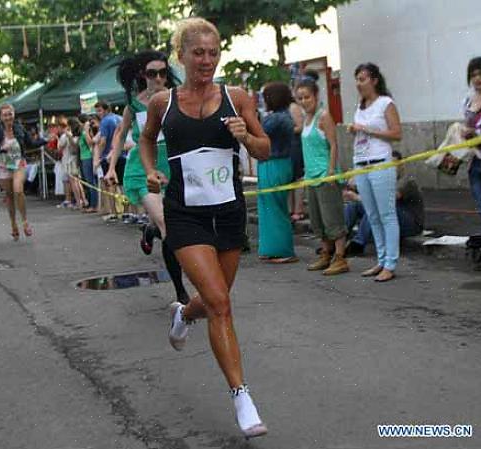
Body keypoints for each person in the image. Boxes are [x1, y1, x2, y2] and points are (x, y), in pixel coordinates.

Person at [139, 18, 270, 439]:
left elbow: (265, 149)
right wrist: (150, 171)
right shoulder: (163, 102)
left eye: (214, 53)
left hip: (228, 213)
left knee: (214, 302)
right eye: (199, 53)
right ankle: (242, 396)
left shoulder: (236, 97)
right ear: (182, 55)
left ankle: (182, 315)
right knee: (221, 305)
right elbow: (146, 139)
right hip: (185, 214)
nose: (207, 61)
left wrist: (246, 137)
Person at [105, 49, 189, 305]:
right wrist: (110, 167)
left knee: (171, 223)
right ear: (143, 75)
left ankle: (150, 230)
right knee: (168, 224)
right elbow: (120, 134)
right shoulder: (134, 102)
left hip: (173, 166)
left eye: (163, 73)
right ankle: (180, 290)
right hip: (142, 168)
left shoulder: (177, 97)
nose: (158, 78)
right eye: (152, 73)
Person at [347, 63, 403, 282]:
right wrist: (356, 131)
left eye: (362, 79)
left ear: (374, 80)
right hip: (361, 162)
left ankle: (390, 263)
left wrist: (366, 129)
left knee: (387, 214)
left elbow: (397, 133)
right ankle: (381, 259)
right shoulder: (360, 107)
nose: (359, 84)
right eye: (357, 79)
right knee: (372, 215)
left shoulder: (385, 103)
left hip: (380, 162)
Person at [296, 79, 349, 276]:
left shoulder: (323, 116)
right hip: (311, 176)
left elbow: (334, 144)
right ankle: (326, 254)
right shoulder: (306, 119)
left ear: (316, 96)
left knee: (332, 218)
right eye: (300, 98)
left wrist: (331, 171)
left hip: (325, 175)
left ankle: (340, 257)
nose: (303, 101)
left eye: (307, 97)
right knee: (318, 220)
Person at [344, 151, 424, 256]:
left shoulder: (407, 181)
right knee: (353, 206)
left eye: (393, 164)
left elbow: (387, 199)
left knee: (377, 208)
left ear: (401, 165)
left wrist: (357, 197)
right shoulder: (384, 179)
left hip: (411, 223)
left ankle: (358, 244)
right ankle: (339, 239)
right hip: (391, 218)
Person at [0, 104, 45, 240]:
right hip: (3, 166)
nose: (8, 117)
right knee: (9, 196)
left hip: (19, 163)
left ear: (14, 114)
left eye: (10, 114)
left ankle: (25, 222)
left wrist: (45, 141)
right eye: (5, 115)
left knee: (18, 190)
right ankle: (13, 223)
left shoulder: (20, 128)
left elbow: (30, 143)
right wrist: (2, 149)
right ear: (1, 117)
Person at [257, 82, 298, 263]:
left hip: (274, 164)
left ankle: (283, 250)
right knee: (270, 207)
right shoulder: (283, 116)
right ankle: (273, 248)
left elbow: (258, 132)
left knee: (274, 207)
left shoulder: (277, 118)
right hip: (275, 163)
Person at [462, 57, 481, 270]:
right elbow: (466, 126)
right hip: (475, 160)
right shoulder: (468, 100)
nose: (478, 78)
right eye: (474, 75)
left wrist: (479, 132)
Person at [94, 101, 122, 221]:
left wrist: (98, 158)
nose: (98, 113)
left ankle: (113, 212)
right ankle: (125, 212)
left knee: (109, 185)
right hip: (121, 154)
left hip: (108, 156)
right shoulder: (119, 118)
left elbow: (103, 141)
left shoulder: (105, 121)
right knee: (121, 185)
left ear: (106, 110)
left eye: (99, 110)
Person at [79, 114, 98, 213]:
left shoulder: (86, 131)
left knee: (91, 182)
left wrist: (86, 131)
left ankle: (94, 205)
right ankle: (92, 204)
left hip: (88, 157)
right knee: (88, 181)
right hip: (84, 158)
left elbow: (90, 143)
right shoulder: (83, 131)